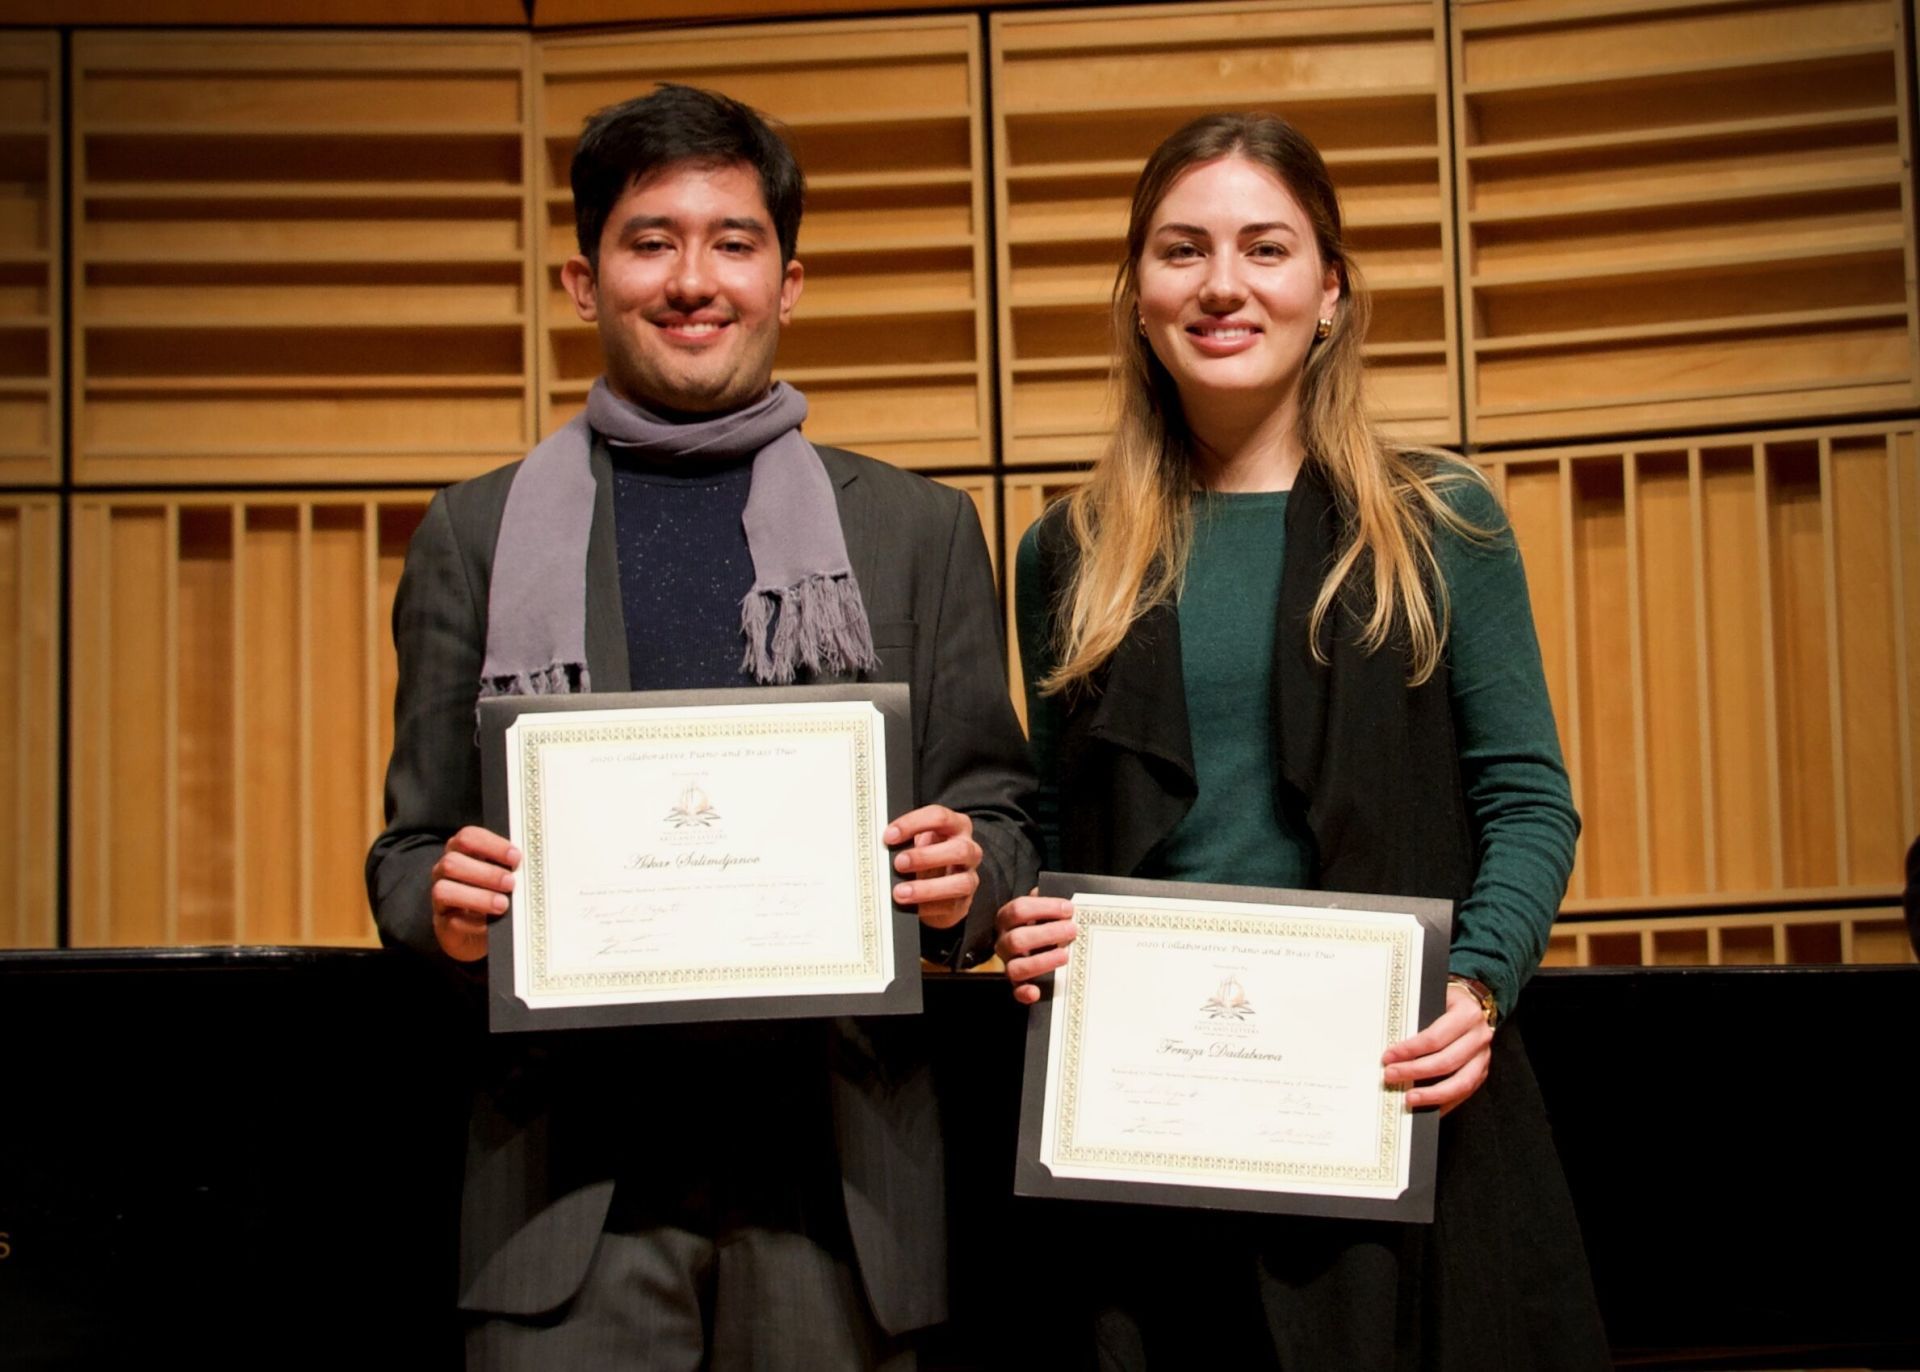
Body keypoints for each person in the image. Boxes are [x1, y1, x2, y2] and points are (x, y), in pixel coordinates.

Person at [366, 83, 1038, 1370]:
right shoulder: (476, 531)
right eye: (649, 239)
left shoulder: (918, 531)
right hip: (569, 1194)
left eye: (734, 241)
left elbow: (1002, 822)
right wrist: (443, 905)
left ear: (790, 280)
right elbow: (407, 852)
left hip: (839, 1193)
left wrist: (964, 882)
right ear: (583, 278)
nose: (693, 279)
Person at [993, 112, 1609, 1369]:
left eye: (1265, 249)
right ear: (1138, 296)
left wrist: (1477, 984)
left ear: (1329, 291)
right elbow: (1060, 827)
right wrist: (1031, 915)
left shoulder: (1441, 520)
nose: (1223, 285)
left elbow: (1530, 803)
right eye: (1182, 251)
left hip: (1394, 1104)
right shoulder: (1067, 550)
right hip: (1150, 1135)